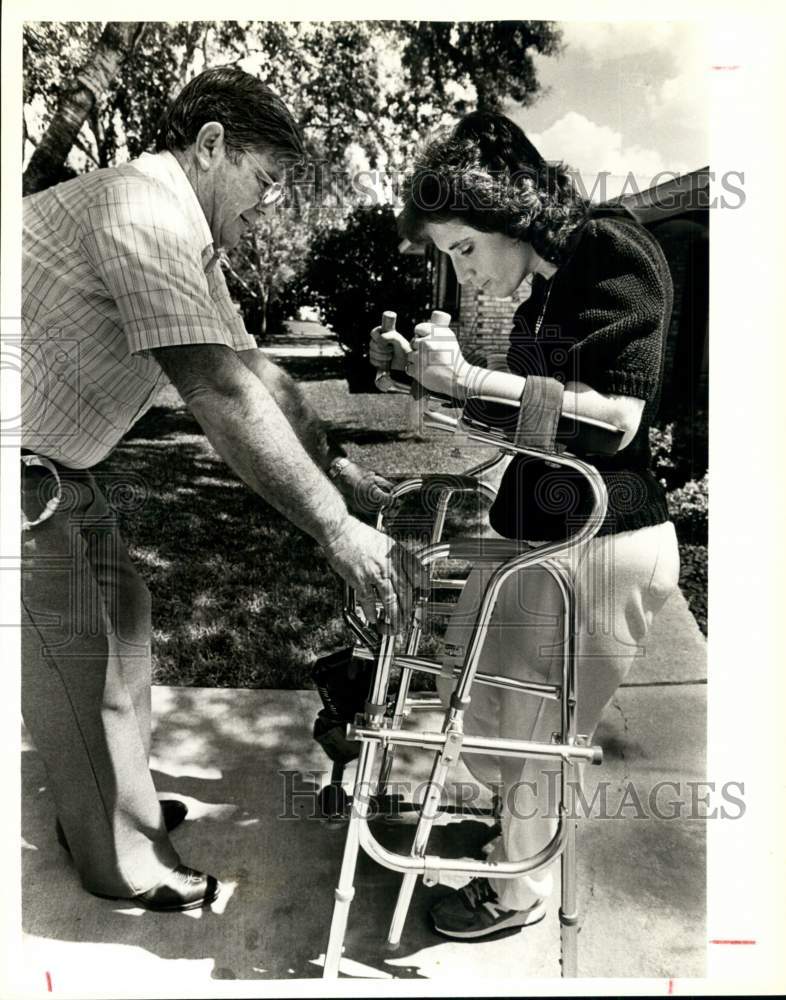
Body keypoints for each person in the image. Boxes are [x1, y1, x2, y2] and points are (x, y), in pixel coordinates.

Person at [21, 66, 425, 912]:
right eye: (265, 180)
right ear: (210, 147)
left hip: (64, 467)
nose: (268, 205)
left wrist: (338, 473)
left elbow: (256, 372)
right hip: (22, 475)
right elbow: (214, 389)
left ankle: (111, 809)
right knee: (77, 666)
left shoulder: (187, 235)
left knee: (125, 641)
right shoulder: (142, 209)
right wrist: (336, 533)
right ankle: (123, 860)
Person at [370, 110, 680, 939]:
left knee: (538, 731)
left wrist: (471, 372)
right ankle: (519, 840)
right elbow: (541, 428)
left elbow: (616, 416)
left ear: (510, 212)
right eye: (448, 259)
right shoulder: (553, 285)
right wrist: (428, 377)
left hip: (603, 545)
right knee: (494, 708)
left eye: (465, 249)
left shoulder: (610, 250)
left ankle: (515, 891)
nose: (462, 276)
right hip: (546, 538)